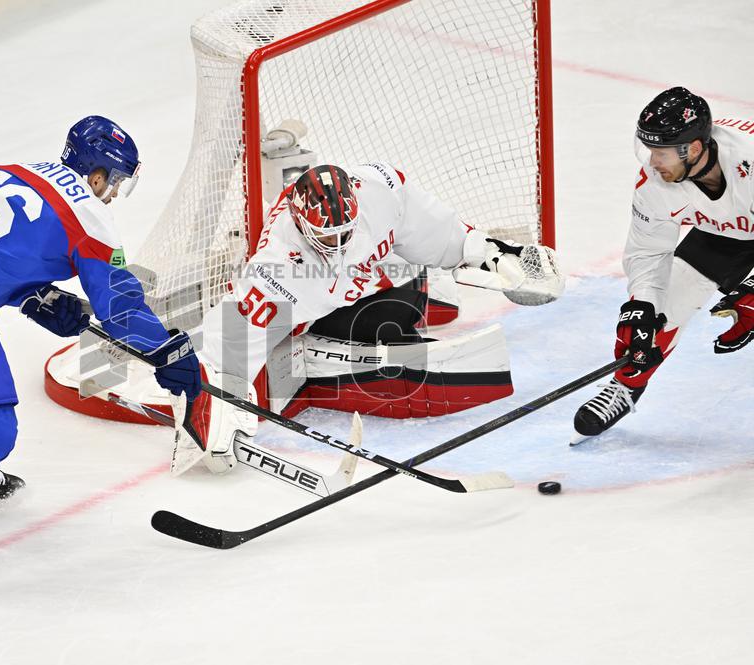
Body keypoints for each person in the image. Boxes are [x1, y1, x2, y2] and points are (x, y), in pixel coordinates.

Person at [0, 116, 201, 609]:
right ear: (96, 176)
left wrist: (35, 296)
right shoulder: (92, 216)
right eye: (115, 183)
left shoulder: (24, 171)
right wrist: (170, 351)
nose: (112, 195)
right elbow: (122, 309)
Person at [169, 162, 563, 474]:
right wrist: (211, 403)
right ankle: (324, 353)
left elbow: (441, 232)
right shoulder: (277, 268)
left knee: (403, 301)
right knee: (377, 326)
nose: (339, 245)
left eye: (346, 232)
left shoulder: (380, 190)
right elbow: (228, 345)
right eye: (328, 237)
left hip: (376, 283)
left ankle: (423, 288)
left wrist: (494, 254)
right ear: (301, 226)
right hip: (321, 313)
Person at [572, 87, 754, 443]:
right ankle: (626, 386)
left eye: (661, 152)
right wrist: (641, 305)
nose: (652, 162)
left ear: (695, 148)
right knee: (661, 312)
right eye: (649, 149)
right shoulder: (654, 184)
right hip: (726, 234)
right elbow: (648, 252)